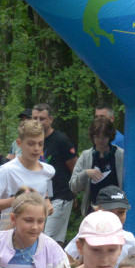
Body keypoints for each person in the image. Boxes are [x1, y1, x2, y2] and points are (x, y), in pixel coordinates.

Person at [0, 119, 54, 223]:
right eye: (31, 144)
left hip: (36, 233)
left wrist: (47, 202)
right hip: (9, 233)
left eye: (40, 144)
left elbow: (46, 190)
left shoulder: (48, 170)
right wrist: (15, 200)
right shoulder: (7, 170)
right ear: (19, 143)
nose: (36, 148)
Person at [33, 103, 78, 243]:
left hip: (60, 195)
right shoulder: (32, 141)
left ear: (50, 120)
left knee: (48, 238)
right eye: (35, 118)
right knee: (38, 236)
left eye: (42, 118)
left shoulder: (61, 140)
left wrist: (73, 193)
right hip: (39, 196)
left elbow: (74, 168)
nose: (38, 122)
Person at [64, 185, 135, 266]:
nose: (115, 217)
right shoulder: (87, 234)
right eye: (110, 212)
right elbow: (66, 258)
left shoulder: (129, 238)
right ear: (97, 210)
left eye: (121, 212)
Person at [70, 116, 124, 215]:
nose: (100, 140)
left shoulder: (121, 155)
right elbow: (73, 186)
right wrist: (86, 173)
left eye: (104, 137)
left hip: (116, 210)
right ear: (92, 137)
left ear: (110, 136)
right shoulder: (86, 156)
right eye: (97, 136)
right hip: (93, 210)